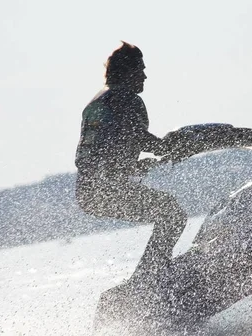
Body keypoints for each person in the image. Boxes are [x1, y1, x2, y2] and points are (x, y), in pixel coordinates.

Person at [75, 42, 187, 276]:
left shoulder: (99, 99)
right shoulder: (125, 98)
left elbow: (106, 151)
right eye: (141, 69)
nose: (145, 76)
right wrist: (168, 146)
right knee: (172, 214)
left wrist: (135, 167)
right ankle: (151, 278)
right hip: (106, 189)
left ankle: (150, 275)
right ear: (127, 71)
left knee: (167, 212)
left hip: (88, 192)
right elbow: (135, 135)